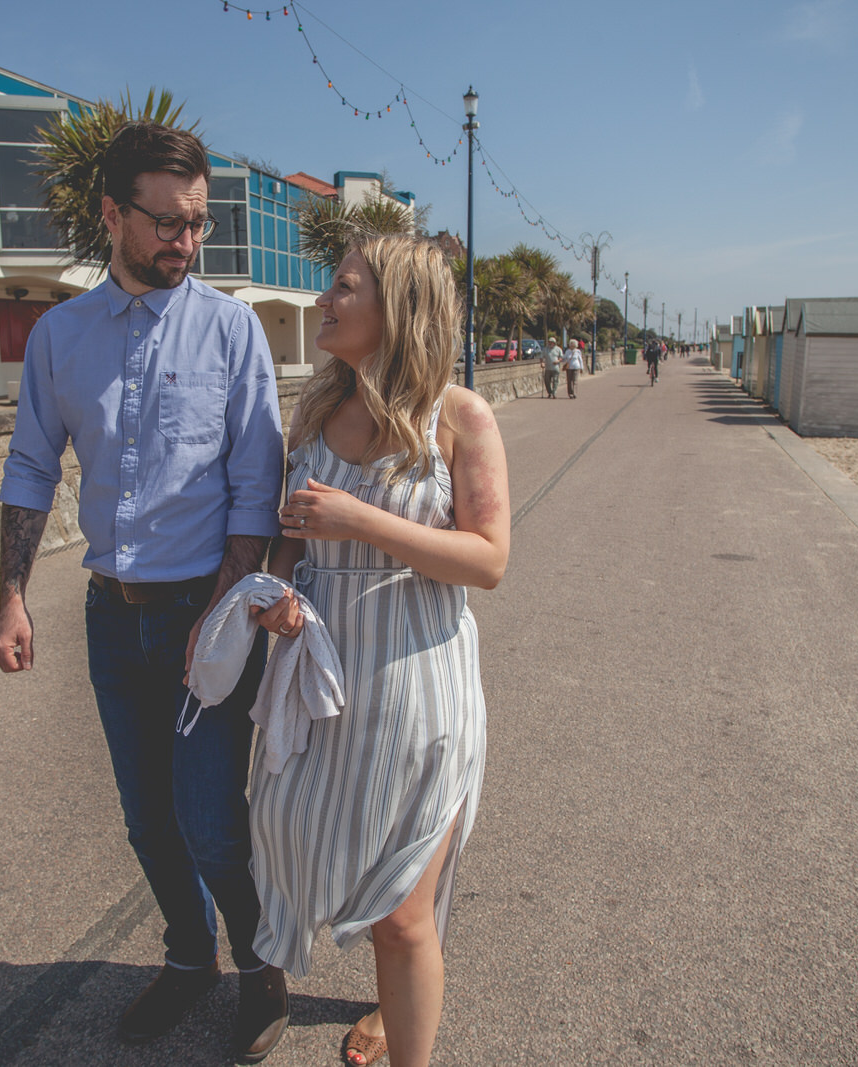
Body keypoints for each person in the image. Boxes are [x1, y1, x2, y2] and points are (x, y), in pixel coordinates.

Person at [0, 121, 290, 1062]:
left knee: (211, 820)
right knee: (147, 820)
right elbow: (31, 466)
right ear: (113, 214)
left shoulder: (232, 329)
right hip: (111, 621)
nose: (185, 243)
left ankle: (260, 967)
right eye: (166, 223)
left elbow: (257, 479)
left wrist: (232, 597)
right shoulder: (60, 337)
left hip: (208, 613)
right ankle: (187, 959)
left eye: (197, 224)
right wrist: (11, 594)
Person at [248, 235, 510, 1067]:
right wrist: (278, 594)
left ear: (396, 307)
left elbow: (490, 558)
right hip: (328, 686)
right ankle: (389, 999)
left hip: (420, 682)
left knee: (401, 913)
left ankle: (406, 1040)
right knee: (332, 856)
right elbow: (290, 541)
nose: (324, 301)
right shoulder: (317, 410)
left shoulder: (459, 416)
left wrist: (361, 521)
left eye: (342, 288)